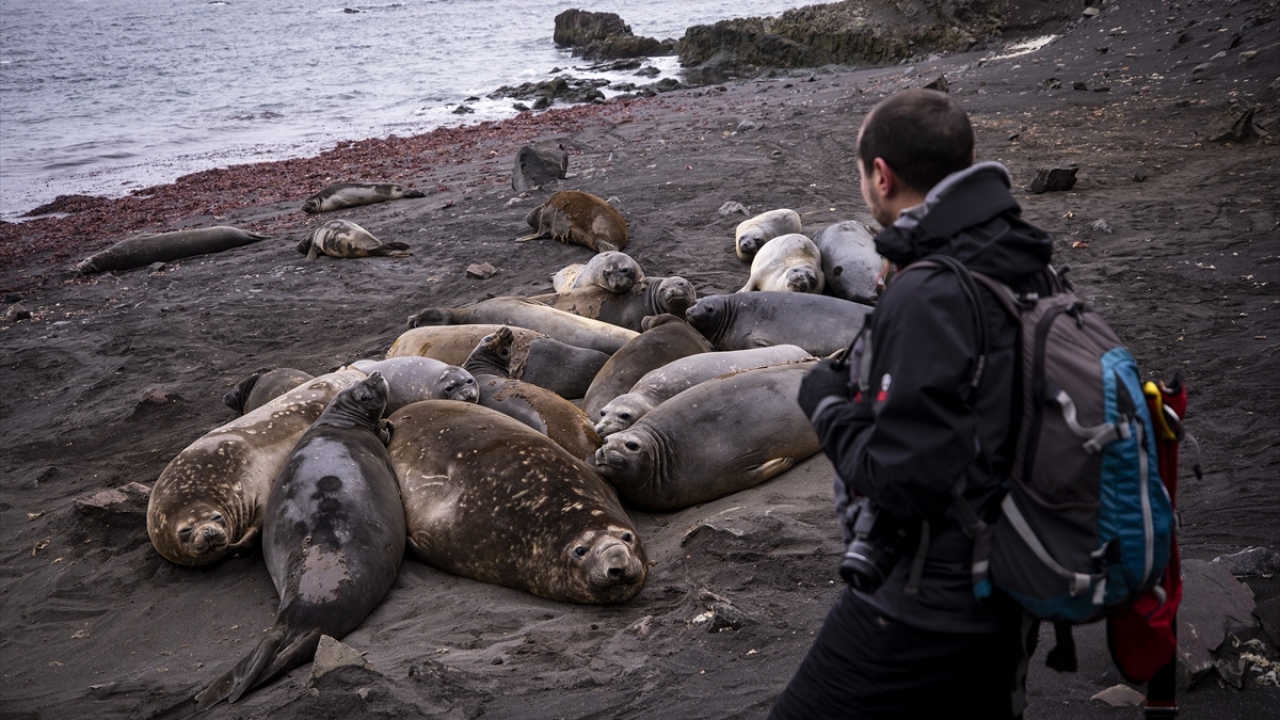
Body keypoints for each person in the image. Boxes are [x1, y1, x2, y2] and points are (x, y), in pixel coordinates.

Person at [771, 88, 1056, 719]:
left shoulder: (929, 290)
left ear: (882, 175)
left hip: (927, 598)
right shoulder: (1026, 262)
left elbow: (906, 479)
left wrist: (826, 403)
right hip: (1010, 581)